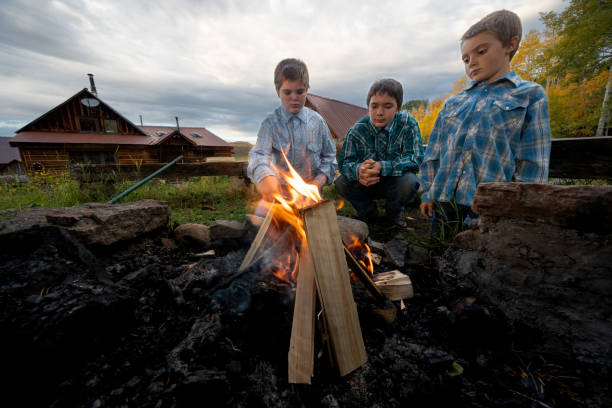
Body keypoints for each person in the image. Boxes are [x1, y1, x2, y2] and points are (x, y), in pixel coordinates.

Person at [419, 9, 551, 239]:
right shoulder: (453, 102)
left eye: (481, 51)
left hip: (490, 203)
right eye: (466, 58)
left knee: (480, 259)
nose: (472, 63)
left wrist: (522, 205)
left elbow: (533, 159)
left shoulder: (529, 95)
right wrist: (428, 191)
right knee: (438, 254)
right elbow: (434, 151)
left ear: (510, 44)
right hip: (445, 198)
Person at [248, 58, 337, 211]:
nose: (294, 97)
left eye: (300, 92)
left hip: (310, 194)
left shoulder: (318, 122)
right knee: (260, 220)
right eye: (287, 92)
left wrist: (316, 184)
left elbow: (330, 158)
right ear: (278, 92)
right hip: (280, 196)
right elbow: (259, 154)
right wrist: (265, 176)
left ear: (307, 90)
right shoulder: (270, 124)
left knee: (318, 230)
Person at [335, 78, 424, 228]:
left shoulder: (409, 125)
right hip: (366, 183)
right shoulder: (357, 130)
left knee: (410, 182)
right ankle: (368, 212)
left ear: (398, 108)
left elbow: (416, 159)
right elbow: (344, 164)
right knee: (341, 182)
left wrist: (383, 167)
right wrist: (359, 170)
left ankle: (394, 213)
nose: (379, 113)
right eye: (374, 106)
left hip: (395, 181)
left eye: (387, 106)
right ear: (368, 106)